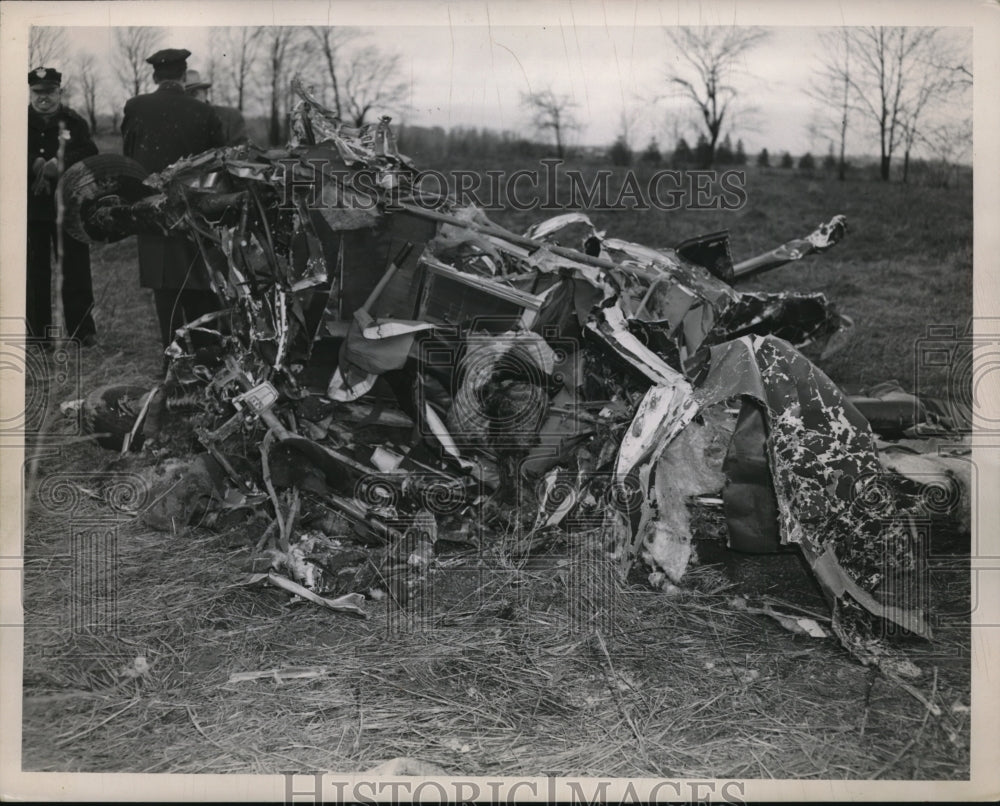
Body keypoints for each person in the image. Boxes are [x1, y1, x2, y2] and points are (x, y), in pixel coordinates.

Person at [121, 48, 226, 350]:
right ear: (184, 75)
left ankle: (172, 357)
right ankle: (205, 356)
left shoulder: (135, 107)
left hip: (152, 210)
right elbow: (219, 164)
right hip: (195, 212)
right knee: (199, 286)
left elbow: (129, 158)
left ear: (155, 76)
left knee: (163, 288)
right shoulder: (204, 111)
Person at [27, 67, 99, 345]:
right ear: (31, 93)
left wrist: (60, 162)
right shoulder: (15, 120)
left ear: (59, 91)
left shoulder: (73, 121)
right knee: (35, 272)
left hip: (68, 208)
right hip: (31, 210)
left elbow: (89, 152)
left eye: (49, 92)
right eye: (37, 93)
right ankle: (38, 334)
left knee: (76, 270)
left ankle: (83, 331)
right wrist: (33, 162)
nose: (43, 98)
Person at [184, 69, 248, 146]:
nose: (190, 100)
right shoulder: (180, 126)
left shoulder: (230, 117)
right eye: (184, 96)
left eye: (193, 93)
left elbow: (244, 151)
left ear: (205, 93)